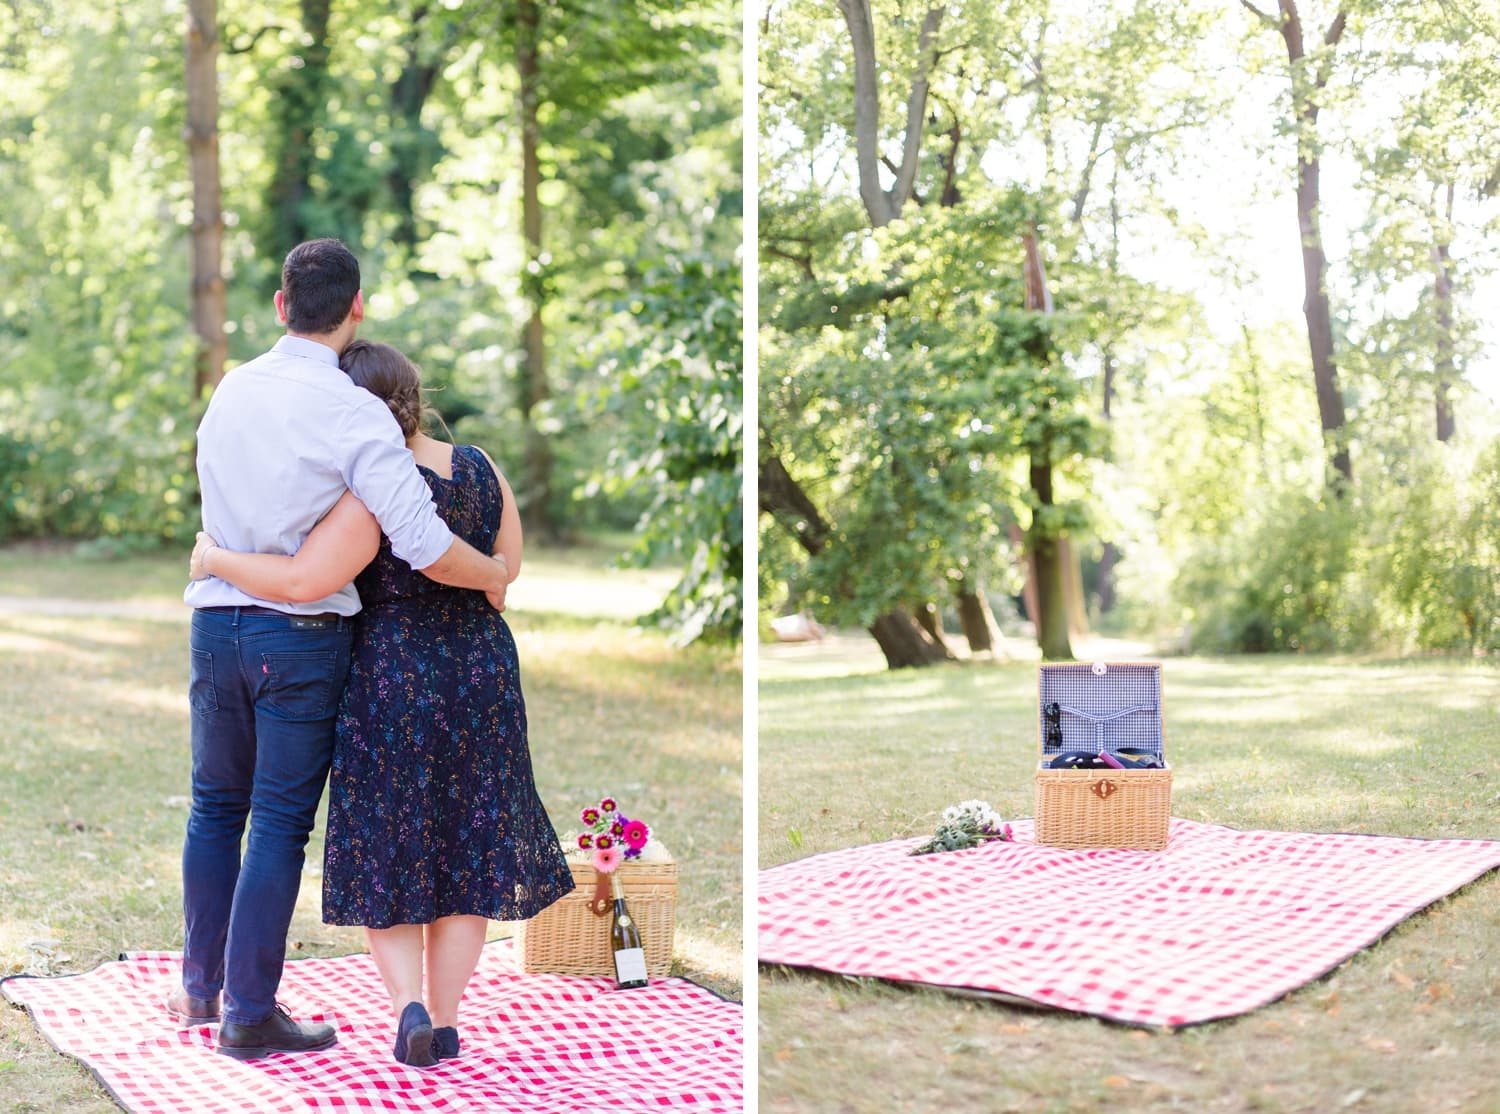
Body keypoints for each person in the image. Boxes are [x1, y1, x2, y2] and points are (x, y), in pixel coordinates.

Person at [189, 340, 574, 1068]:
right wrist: (488, 578)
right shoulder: (484, 467)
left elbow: (308, 576)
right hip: (481, 669)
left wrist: (212, 558)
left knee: (388, 846)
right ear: (416, 391)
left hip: (389, 673)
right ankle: (451, 1019)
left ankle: (410, 1008)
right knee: (469, 844)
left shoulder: (371, 488)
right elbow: (507, 570)